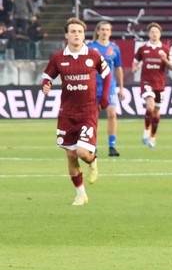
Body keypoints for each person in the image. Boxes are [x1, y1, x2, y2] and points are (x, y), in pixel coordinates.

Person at [41, 18, 110, 205]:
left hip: (88, 111)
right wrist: (46, 85)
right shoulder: (58, 57)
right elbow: (47, 76)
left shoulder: (93, 55)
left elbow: (106, 74)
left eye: (80, 31)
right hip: (67, 113)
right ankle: (81, 194)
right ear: (66, 35)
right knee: (71, 155)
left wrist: (104, 96)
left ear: (84, 35)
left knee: (82, 152)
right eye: (73, 31)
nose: (76, 34)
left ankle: (92, 160)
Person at [132, 22, 172, 148]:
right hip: (146, 82)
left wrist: (165, 60)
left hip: (159, 84)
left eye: (156, 32)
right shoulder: (143, 49)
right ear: (149, 34)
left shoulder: (165, 49)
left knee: (156, 113)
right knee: (150, 107)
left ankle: (152, 137)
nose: (154, 34)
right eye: (152, 32)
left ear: (160, 34)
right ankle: (146, 131)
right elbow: (135, 62)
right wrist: (135, 68)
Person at [88, 21, 124, 157]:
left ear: (110, 32)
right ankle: (93, 145)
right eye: (102, 29)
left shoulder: (114, 48)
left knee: (112, 114)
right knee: (92, 117)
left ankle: (112, 146)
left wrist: (121, 88)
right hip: (93, 86)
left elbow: (118, 68)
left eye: (107, 30)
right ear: (98, 31)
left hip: (110, 87)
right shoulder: (90, 47)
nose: (105, 32)